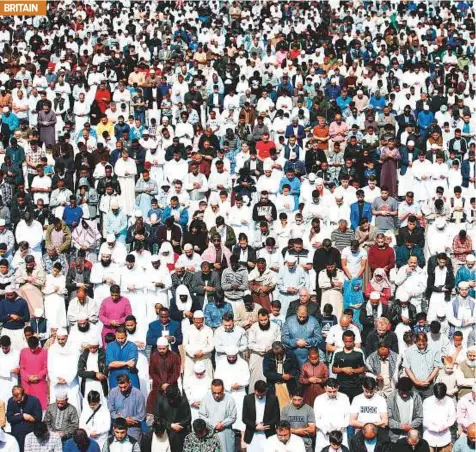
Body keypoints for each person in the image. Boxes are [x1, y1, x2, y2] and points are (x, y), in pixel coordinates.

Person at [198, 379, 237, 452]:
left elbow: (232, 417)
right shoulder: (205, 399)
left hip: (226, 434)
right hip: (210, 434)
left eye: (219, 393)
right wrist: (215, 424)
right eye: (214, 393)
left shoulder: (230, 400)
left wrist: (222, 424)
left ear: (223, 390)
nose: (217, 395)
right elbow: (202, 416)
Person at [242, 380, 280, 452]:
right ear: (254, 390)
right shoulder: (247, 398)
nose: (259, 397)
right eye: (257, 394)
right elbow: (244, 418)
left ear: (266, 390)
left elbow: (276, 418)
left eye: (262, 395)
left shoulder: (273, 399)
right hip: (252, 434)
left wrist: (264, 425)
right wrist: (255, 426)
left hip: (268, 434)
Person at [403, 333, 443, 400]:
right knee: (415, 405)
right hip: (414, 385)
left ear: (426, 341)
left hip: (429, 385)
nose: (422, 346)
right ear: (416, 341)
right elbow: (407, 368)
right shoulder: (409, 351)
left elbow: (437, 367)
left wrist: (428, 380)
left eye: (423, 344)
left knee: (428, 405)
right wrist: (416, 381)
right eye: (419, 344)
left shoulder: (434, 350)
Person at [147, 336, 181, 413]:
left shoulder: (174, 356)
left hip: (171, 387)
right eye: (159, 348)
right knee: (157, 409)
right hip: (157, 387)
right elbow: (152, 372)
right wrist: (161, 384)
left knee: (172, 409)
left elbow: (176, 372)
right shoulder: (154, 356)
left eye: (163, 348)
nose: (161, 350)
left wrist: (167, 384)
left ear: (168, 347)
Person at [107, 374, 146, 441]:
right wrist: (123, 420)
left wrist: (130, 420)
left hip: (133, 429)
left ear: (129, 382)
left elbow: (141, 415)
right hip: (118, 429)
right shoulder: (113, 393)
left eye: (125, 387)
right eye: (120, 387)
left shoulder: (138, 394)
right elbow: (111, 411)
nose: (123, 389)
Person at [154, 384, 191, 452]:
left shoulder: (183, 401)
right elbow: (157, 418)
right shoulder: (161, 400)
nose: (171, 401)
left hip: (181, 433)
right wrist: (171, 425)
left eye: (173, 399)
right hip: (166, 433)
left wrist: (179, 425)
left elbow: (188, 418)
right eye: (169, 399)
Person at [332, 330, 365, 402]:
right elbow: (334, 369)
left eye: (350, 342)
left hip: (356, 385)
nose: (348, 343)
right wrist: (343, 369)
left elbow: (363, 369)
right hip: (341, 385)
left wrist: (353, 370)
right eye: (346, 341)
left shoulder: (359, 352)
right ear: (343, 340)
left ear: (354, 340)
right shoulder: (337, 352)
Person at [280, 386, 316, 452]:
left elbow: (312, 429)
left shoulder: (309, 409)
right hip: (289, 443)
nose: (297, 403)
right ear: (291, 397)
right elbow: (282, 429)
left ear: (303, 398)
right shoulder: (285, 409)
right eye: (294, 399)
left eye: (299, 400)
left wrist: (291, 430)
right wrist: (297, 431)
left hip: (305, 444)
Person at [422, 383, 456, 452]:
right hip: (429, 436)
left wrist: (445, 426)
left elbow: (452, 417)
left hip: (444, 436)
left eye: (441, 398)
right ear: (433, 392)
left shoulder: (450, 401)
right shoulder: (427, 401)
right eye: (437, 397)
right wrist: (435, 428)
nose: (439, 400)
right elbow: (424, 419)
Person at [6, 386, 42, 451]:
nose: (18, 402)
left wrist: (17, 416)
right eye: (16, 400)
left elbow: (38, 418)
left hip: (30, 433)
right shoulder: (11, 401)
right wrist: (22, 416)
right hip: (17, 434)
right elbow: (9, 418)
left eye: (19, 400)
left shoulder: (34, 400)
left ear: (24, 394)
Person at [19, 336, 48, 409]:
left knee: (40, 406)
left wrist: (38, 376)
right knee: (27, 406)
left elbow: (46, 368)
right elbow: (22, 368)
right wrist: (28, 377)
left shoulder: (44, 352)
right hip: (27, 384)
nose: (32, 350)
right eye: (31, 348)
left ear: (38, 345)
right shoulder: (23, 351)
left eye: (34, 348)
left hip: (39, 384)